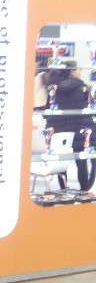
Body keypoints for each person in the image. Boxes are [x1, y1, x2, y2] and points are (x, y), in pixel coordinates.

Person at [44, 60, 96, 192]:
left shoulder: (53, 87)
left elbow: (48, 108)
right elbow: (87, 106)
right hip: (80, 128)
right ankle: (85, 187)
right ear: (72, 72)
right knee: (82, 158)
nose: (80, 72)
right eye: (78, 69)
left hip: (57, 131)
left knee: (62, 157)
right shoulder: (81, 86)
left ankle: (64, 188)